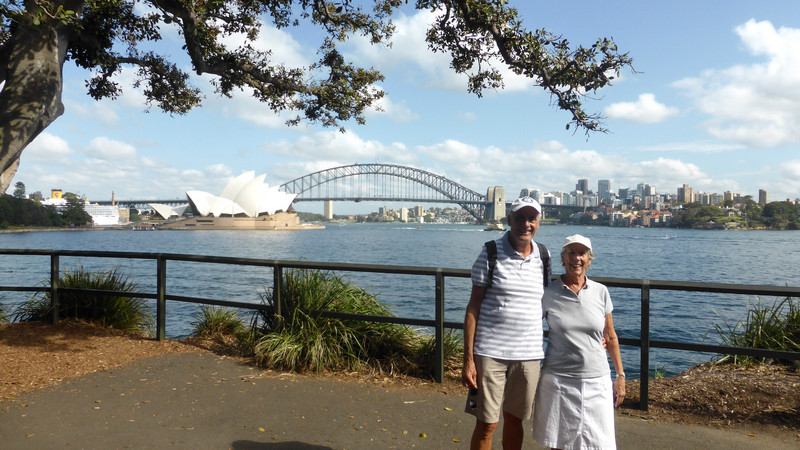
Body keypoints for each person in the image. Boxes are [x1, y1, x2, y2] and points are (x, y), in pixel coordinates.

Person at [462, 196, 551, 450]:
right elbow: (473, 308)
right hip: (491, 354)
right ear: (509, 220)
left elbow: (549, 304)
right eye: (520, 218)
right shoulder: (490, 252)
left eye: (531, 218)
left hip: (529, 355)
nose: (526, 224)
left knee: (516, 421)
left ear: (538, 222)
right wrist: (468, 359)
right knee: (487, 423)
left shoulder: (543, 256)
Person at [533, 234, 625, 450]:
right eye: (571, 253)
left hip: (597, 380)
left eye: (582, 253)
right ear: (563, 258)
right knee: (559, 443)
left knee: (599, 444)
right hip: (558, 381)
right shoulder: (548, 293)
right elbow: (532, 327)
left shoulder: (600, 292)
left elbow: (610, 336)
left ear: (589, 259)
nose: (577, 258)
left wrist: (620, 376)